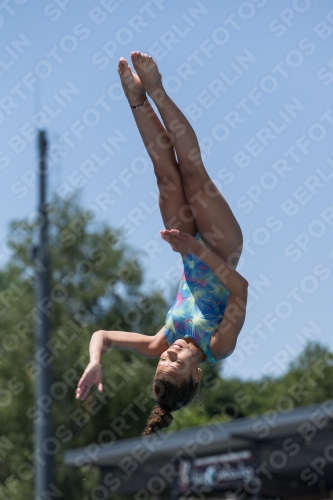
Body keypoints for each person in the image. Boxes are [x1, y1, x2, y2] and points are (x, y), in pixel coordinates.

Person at [76, 52, 248, 437]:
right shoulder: (219, 346)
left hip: (185, 247)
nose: (168, 353)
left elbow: (102, 336)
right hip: (219, 247)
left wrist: (95, 360)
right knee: (191, 170)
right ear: (196, 373)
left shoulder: (161, 341)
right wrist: (195, 248)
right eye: (176, 362)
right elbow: (241, 287)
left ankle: (137, 99)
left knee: (164, 175)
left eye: (163, 361)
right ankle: (158, 90)